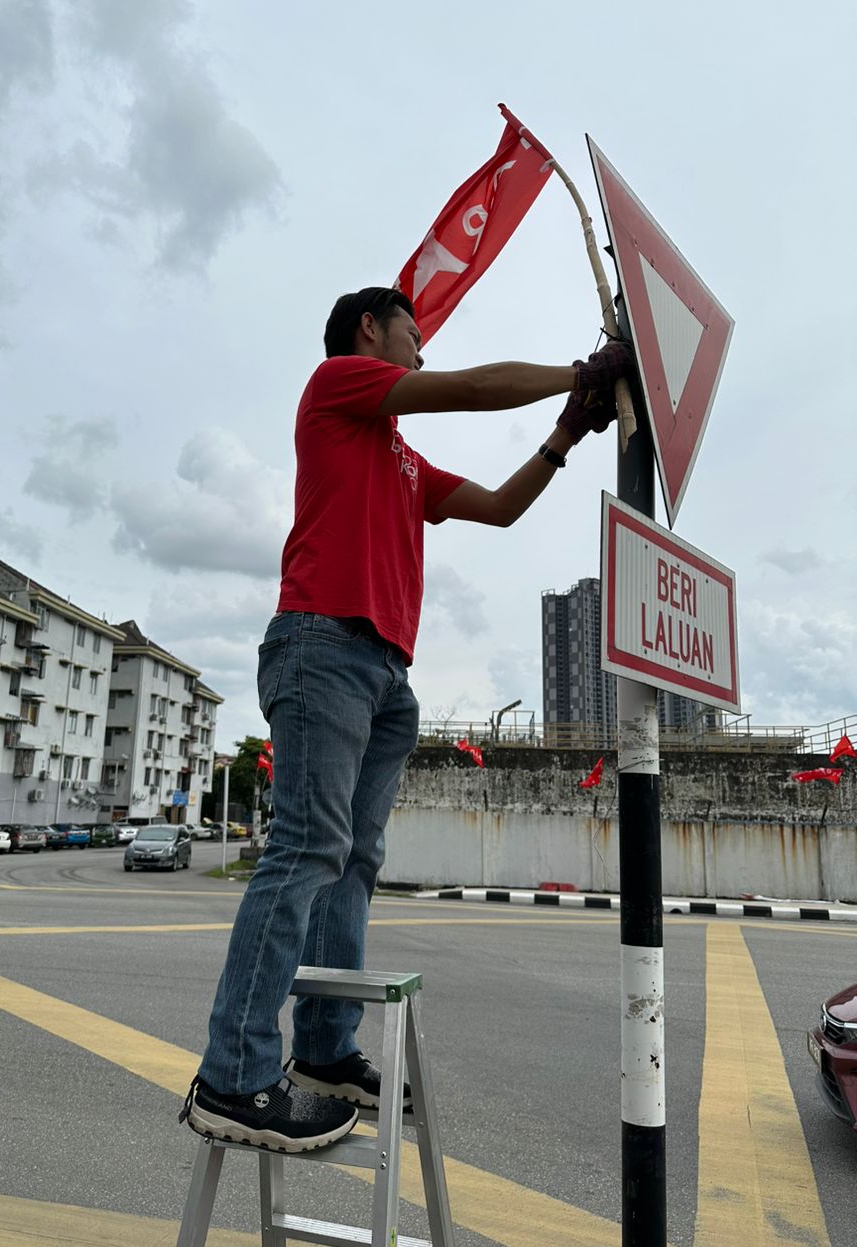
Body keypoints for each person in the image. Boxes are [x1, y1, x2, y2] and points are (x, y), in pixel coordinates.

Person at [180, 286, 636, 1153]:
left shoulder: (404, 461)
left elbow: (501, 508)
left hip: (388, 673)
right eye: (413, 335)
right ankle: (232, 1077)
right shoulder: (337, 386)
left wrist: (566, 434)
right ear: (369, 329)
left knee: (352, 861)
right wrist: (582, 372)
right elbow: (466, 388)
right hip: (323, 644)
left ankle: (324, 1052)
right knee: (307, 849)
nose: (421, 352)